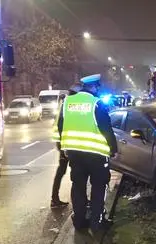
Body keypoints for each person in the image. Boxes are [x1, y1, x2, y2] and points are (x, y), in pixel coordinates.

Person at [57, 74, 118, 232]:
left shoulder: (67, 102)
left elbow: (60, 126)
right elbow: (106, 129)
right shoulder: (96, 103)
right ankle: (97, 223)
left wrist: (65, 148)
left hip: (75, 154)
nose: (98, 90)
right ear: (93, 87)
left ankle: (79, 221)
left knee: (78, 187)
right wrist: (113, 149)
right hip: (96, 154)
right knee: (99, 187)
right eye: (97, 87)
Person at [50, 84, 81, 208]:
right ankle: (57, 199)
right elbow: (62, 126)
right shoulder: (69, 105)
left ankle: (55, 199)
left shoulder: (65, 103)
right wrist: (64, 147)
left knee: (62, 171)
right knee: (74, 172)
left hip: (64, 143)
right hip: (66, 144)